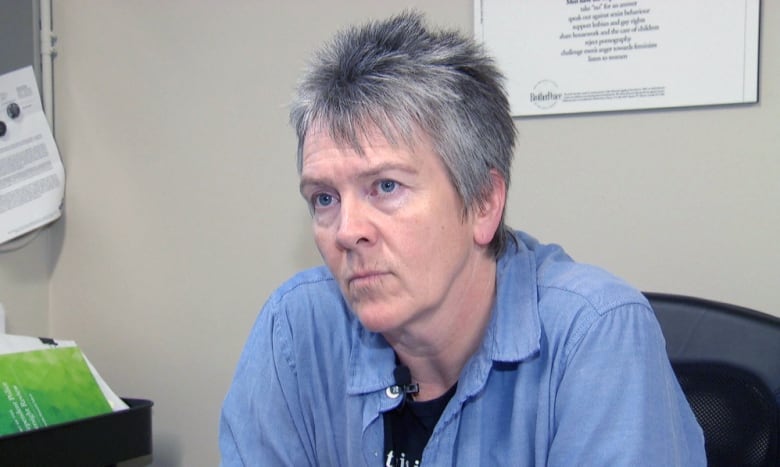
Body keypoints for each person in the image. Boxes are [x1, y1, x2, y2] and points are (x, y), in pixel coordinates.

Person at [219, 11, 705, 466]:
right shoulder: (295, 329)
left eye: (386, 187)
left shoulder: (596, 335)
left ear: (483, 203)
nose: (347, 231)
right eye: (324, 198)